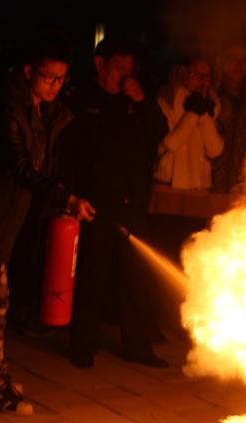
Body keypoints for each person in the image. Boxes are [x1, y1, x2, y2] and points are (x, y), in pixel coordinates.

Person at [0, 32, 94, 414]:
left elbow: (41, 165)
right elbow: (19, 166)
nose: (55, 86)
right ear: (28, 72)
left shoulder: (41, 108)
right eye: (48, 77)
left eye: (61, 78)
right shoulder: (6, 107)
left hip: (5, 215)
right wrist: (64, 198)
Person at [63, 37, 169, 369]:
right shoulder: (81, 99)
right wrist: (71, 195)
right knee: (92, 275)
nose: (124, 75)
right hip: (95, 203)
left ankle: (137, 346)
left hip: (131, 203)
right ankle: (83, 346)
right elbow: (67, 150)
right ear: (100, 64)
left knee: (134, 276)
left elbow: (158, 132)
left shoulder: (134, 101)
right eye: (118, 67)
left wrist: (142, 101)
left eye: (129, 70)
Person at [155, 55, 224, 191]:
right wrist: (193, 113)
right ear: (183, 74)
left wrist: (202, 113)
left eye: (206, 76)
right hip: (166, 185)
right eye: (195, 74)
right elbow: (171, 143)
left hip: (200, 187)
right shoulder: (166, 102)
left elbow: (215, 150)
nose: (202, 80)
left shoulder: (213, 106)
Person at [211, 42, 246, 194]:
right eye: (233, 58)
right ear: (222, 61)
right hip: (209, 185)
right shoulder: (211, 98)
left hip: (239, 189)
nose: (239, 65)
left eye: (244, 60)